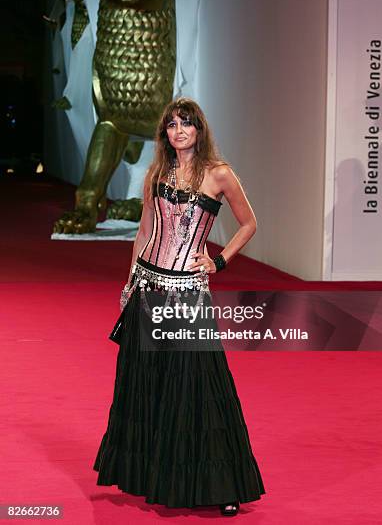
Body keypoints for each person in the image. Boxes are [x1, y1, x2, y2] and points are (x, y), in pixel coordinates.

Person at [93, 97, 266, 516]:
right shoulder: (157, 173)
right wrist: (131, 280)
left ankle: (220, 485)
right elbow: (146, 232)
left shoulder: (219, 174)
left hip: (188, 290)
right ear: (165, 134)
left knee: (200, 386)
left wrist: (219, 260)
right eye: (171, 125)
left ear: (199, 129)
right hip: (149, 285)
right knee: (147, 384)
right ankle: (151, 475)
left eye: (186, 124)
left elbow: (250, 223)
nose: (179, 131)